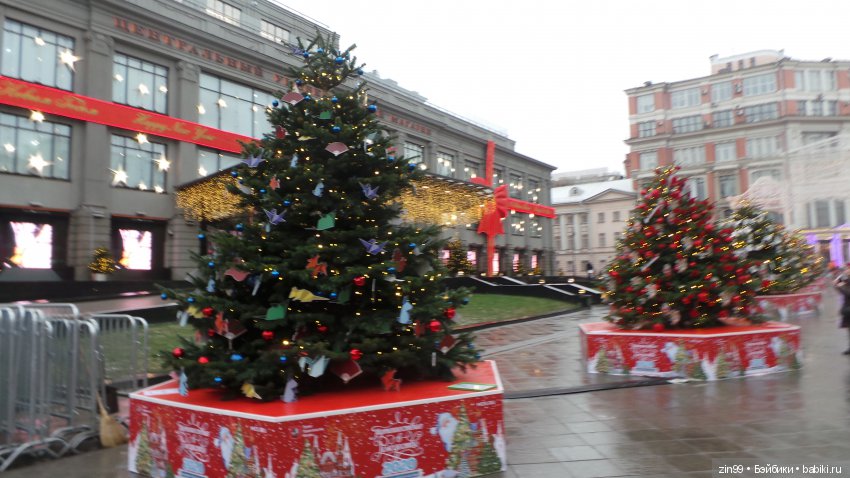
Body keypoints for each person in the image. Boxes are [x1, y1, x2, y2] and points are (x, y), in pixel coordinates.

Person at [832, 266, 850, 355]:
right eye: (846, 269)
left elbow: (847, 293)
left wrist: (840, 287)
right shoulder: (846, 280)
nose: (847, 271)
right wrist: (836, 285)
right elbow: (842, 290)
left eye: (848, 269)